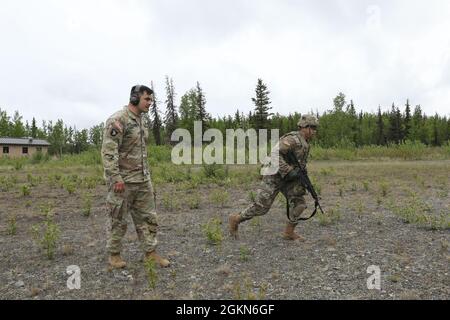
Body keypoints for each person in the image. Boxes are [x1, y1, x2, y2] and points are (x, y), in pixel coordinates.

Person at [101, 85, 170, 268]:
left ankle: (150, 253)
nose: (150, 103)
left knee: (149, 218)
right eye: (147, 99)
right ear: (135, 99)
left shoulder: (141, 120)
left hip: (142, 180)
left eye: (151, 100)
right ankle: (114, 255)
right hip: (123, 182)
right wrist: (116, 178)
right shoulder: (117, 120)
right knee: (117, 219)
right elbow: (109, 153)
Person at [228, 114, 319, 241]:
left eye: (315, 128)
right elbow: (275, 154)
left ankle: (289, 232)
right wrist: (287, 170)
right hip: (274, 175)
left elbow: (300, 164)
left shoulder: (305, 143)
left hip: (289, 178)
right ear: (304, 127)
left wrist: (304, 179)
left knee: (300, 204)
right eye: (312, 128)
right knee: (261, 207)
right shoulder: (292, 139)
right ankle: (236, 219)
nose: (314, 131)